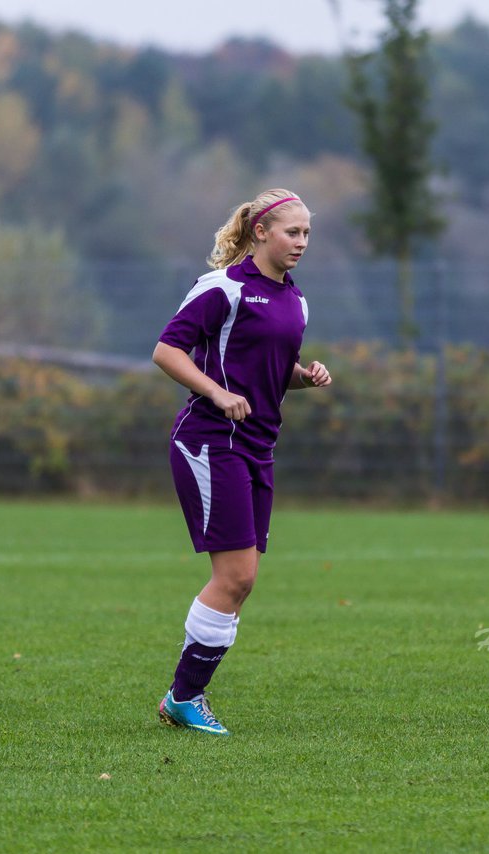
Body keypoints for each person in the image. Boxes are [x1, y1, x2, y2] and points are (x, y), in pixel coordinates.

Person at [152, 189, 332, 735]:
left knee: (242, 580)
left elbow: (268, 373)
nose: (301, 242)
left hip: (257, 445)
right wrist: (217, 394)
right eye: (291, 232)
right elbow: (167, 351)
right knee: (236, 575)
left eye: (306, 233)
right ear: (260, 232)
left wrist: (302, 377)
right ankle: (185, 697)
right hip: (211, 439)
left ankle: (183, 696)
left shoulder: (296, 301)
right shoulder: (223, 288)